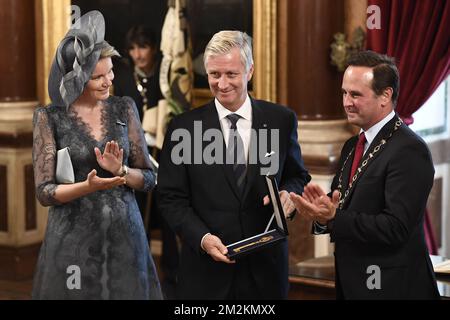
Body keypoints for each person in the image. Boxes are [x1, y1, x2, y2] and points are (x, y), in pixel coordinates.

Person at [157, 30, 311, 299]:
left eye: (231, 74)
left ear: (249, 71)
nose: (222, 83)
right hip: (206, 274)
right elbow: (171, 198)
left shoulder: (281, 119)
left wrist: (288, 195)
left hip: (266, 273)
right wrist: (202, 239)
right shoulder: (184, 128)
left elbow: (296, 175)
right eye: (215, 74)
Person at [31, 11, 163, 300]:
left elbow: (151, 179)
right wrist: (86, 187)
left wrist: (122, 172)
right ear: (75, 78)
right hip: (72, 239)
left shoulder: (124, 108)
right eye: (97, 77)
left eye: (111, 72)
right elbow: (44, 193)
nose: (108, 81)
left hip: (125, 236)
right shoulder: (49, 118)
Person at [290, 50, 440, 299]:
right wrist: (322, 211)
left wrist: (335, 217)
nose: (346, 102)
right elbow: (346, 203)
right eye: (344, 93)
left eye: (356, 94)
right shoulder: (352, 145)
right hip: (354, 284)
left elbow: (395, 228)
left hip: (393, 288)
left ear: (385, 96)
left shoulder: (410, 150)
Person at [113, 25, 179, 298]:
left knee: (168, 209)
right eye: (133, 48)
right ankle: (138, 265)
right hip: (134, 154)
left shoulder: (166, 75)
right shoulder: (124, 76)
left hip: (165, 151)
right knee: (136, 211)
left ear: (153, 48)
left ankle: (173, 268)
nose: (138, 54)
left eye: (143, 47)